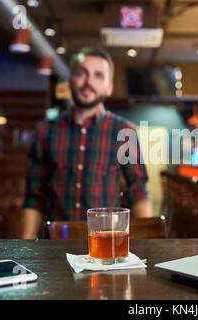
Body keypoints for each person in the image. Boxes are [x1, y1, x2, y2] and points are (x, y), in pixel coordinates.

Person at [21, 46, 152, 239]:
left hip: (106, 246)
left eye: (98, 75)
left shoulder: (124, 132)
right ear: (70, 80)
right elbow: (34, 197)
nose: (89, 82)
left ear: (109, 87)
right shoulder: (45, 131)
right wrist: (25, 249)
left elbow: (138, 192)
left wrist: (146, 246)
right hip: (55, 246)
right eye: (82, 73)